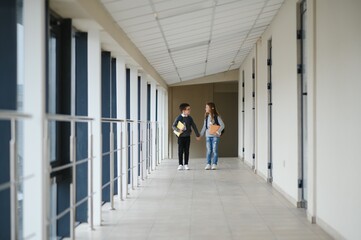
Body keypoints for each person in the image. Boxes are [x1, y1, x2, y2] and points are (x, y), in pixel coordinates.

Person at [172, 103, 200, 170]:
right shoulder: (179, 118)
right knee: (180, 150)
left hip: (187, 137)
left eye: (189, 109)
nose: (189, 110)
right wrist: (178, 130)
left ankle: (186, 164)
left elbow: (194, 126)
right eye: (188, 109)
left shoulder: (190, 118)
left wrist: (197, 135)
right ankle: (180, 164)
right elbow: (173, 126)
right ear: (183, 110)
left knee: (187, 150)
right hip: (180, 137)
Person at [198, 102, 225, 170]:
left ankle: (214, 164)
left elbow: (222, 125)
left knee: (214, 150)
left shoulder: (217, 117)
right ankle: (208, 164)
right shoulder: (206, 117)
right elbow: (204, 127)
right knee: (209, 150)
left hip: (215, 136)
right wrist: (200, 135)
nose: (205, 108)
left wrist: (218, 132)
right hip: (208, 136)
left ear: (211, 108)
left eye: (207, 107)